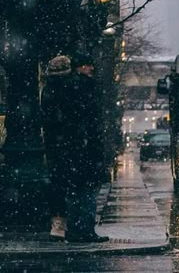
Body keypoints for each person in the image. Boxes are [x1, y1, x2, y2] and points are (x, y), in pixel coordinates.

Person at [63, 52, 109, 243]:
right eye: (88, 65)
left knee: (76, 192)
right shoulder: (85, 87)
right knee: (88, 191)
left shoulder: (68, 87)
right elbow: (91, 120)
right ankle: (86, 230)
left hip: (74, 149)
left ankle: (74, 230)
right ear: (80, 67)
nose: (91, 68)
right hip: (86, 149)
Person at [41, 55, 73, 241]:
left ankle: (58, 222)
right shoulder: (71, 88)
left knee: (57, 183)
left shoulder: (48, 89)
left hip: (54, 143)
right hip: (68, 142)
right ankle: (65, 222)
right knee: (69, 183)